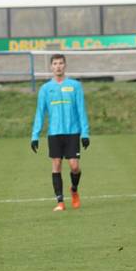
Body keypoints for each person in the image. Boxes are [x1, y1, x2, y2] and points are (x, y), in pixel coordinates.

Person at [30, 53, 90, 212]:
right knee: (56, 165)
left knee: (74, 166)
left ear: (65, 65)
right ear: (51, 67)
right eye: (55, 63)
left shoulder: (75, 86)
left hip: (72, 132)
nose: (58, 66)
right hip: (54, 133)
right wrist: (35, 135)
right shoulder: (45, 89)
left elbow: (81, 110)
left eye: (61, 63)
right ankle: (60, 202)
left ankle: (74, 190)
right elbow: (40, 113)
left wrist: (85, 133)